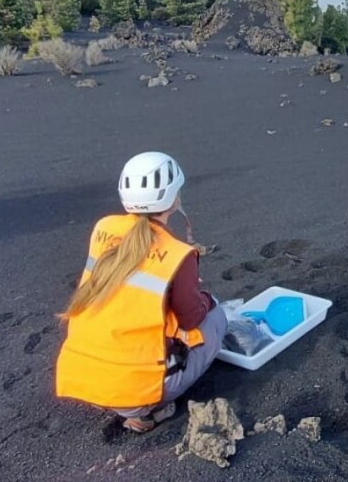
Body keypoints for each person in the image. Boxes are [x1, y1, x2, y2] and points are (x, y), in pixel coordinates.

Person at [55, 152, 227, 433]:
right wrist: (206, 299)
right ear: (174, 197)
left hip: (82, 375)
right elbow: (190, 319)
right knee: (217, 317)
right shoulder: (177, 254)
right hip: (135, 387)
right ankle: (146, 411)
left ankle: (115, 396)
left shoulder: (103, 229)